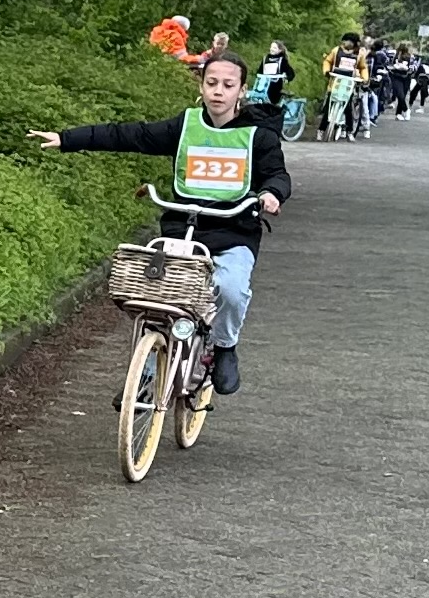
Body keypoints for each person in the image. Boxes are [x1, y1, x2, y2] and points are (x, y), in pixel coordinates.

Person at [28, 52, 291, 397]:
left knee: (229, 289)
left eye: (228, 85)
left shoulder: (259, 136)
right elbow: (130, 135)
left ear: (241, 90)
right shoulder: (185, 126)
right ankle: (148, 372)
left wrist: (271, 193)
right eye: (211, 83)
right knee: (156, 295)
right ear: (201, 86)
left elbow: (277, 174)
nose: (218, 91)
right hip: (184, 227)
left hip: (234, 230)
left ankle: (225, 348)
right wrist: (68, 139)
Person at [317, 32, 369, 141]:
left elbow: (363, 67)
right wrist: (326, 71)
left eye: (349, 41)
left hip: (348, 85)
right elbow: (328, 61)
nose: (346, 43)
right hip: (335, 83)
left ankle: (349, 132)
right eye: (345, 41)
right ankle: (321, 130)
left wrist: (364, 78)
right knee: (328, 107)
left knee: (348, 109)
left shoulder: (359, 54)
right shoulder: (336, 51)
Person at [256, 40, 296, 104]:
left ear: (280, 50)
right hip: (263, 87)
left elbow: (291, 73)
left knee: (271, 105)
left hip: (275, 89)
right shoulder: (265, 59)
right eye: (271, 47)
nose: (272, 49)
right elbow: (259, 72)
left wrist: (286, 79)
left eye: (274, 48)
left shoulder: (282, 60)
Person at [389, 42, 414, 121]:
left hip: (406, 77)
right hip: (396, 76)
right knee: (400, 95)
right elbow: (390, 64)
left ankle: (398, 113)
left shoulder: (411, 57)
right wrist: (394, 67)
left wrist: (407, 69)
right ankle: (406, 110)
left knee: (403, 95)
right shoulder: (395, 55)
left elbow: (413, 67)